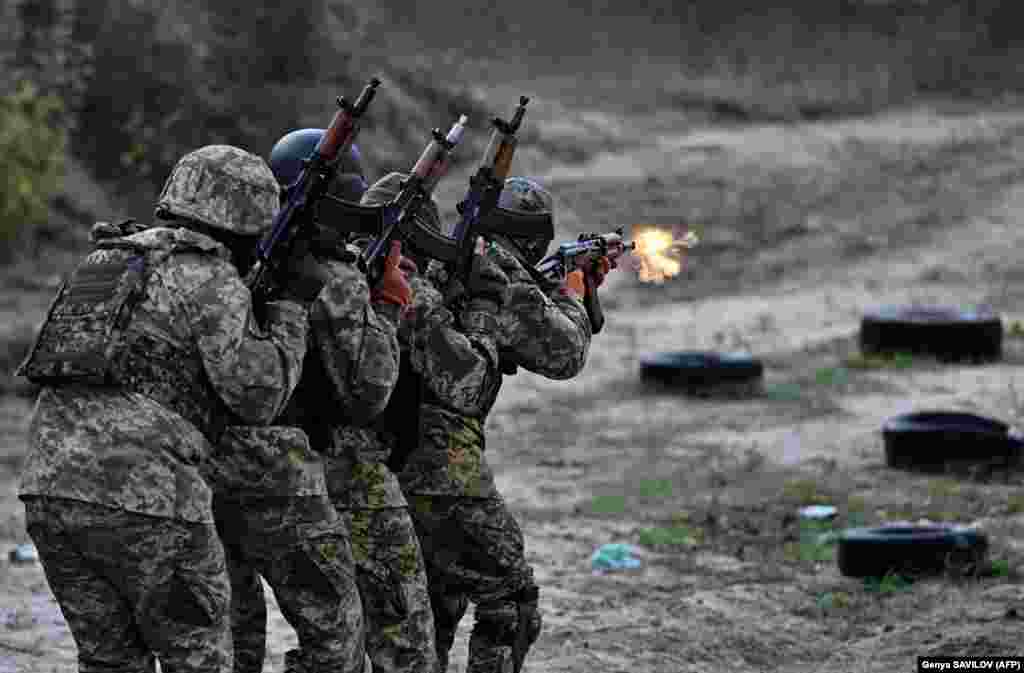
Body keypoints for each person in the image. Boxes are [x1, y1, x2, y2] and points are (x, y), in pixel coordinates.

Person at [15, 145, 315, 672]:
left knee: (109, 662)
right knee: (196, 658)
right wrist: (289, 310)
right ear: (246, 220)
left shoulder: (106, 260)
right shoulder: (210, 278)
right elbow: (259, 396)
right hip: (148, 502)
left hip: (50, 490)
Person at [383, 175, 606, 673]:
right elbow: (564, 353)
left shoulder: (448, 258)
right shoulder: (500, 274)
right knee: (511, 597)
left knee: (434, 599)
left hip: (393, 452)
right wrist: (572, 292)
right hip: (441, 461)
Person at [206, 129, 379, 673]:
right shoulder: (329, 276)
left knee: (230, 637)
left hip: (200, 468)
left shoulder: (212, 259)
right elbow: (369, 392)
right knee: (335, 632)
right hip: (280, 471)